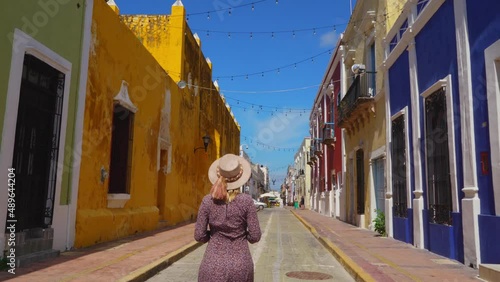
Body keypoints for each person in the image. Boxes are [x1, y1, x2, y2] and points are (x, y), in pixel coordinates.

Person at [194, 154, 262, 282]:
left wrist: (214, 236)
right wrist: (240, 235)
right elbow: (255, 236)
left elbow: (199, 235)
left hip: (212, 263)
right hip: (240, 264)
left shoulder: (208, 201)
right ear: (240, 177)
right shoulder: (246, 201)